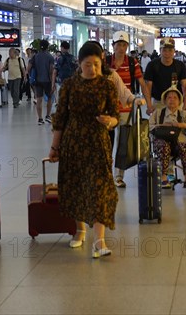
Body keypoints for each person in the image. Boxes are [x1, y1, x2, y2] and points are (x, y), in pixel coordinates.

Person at [48, 40, 119, 258]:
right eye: (88, 64)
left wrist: (110, 122)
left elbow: (116, 115)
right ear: (80, 64)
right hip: (74, 142)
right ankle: (79, 230)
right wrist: (54, 147)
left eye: (97, 64)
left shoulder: (107, 85)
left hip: (98, 142)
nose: (93, 69)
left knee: (100, 188)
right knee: (76, 186)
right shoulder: (69, 85)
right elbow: (60, 118)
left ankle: (99, 240)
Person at [107, 31, 152, 188]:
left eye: (124, 45)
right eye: (118, 44)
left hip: (126, 108)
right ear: (113, 46)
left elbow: (142, 83)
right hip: (107, 109)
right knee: (107, 142)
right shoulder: (105, 62)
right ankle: (106, 173)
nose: (121, 48)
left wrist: (149, 103)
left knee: (123, 142)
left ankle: (119, 176)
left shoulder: (133, 63)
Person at [149, 86, 186, 189]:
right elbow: (149, 127)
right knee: (164, 146)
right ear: (165, 100)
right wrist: (162, 126)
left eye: (175, 98)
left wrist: (182, 125)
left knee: (185, 147)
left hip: (178, 144)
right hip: (161, 143)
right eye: (169, 98)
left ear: (179, 101)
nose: (172, 100)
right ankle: (163, 178)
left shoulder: (183, 115)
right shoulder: (158, 113)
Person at [143, 37, 186, 115]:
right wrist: (149, 105)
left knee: (177, 125)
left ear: (174, 51)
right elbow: (148, 87)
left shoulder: (180, 65)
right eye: (164, 50)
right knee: (158, 126)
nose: (167, 53)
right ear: (160, 51)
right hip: (159, 103)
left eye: (170, 50)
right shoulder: (152, 65)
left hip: (176, 102)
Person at [27, 40, 55, 125]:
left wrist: (29, 76)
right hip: (47, 81)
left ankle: (40, 119)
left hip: (38, 81)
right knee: (49, 98)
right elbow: (51, 71)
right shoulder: (50, 57)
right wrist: (52, 83)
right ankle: (47, 116)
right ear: (47, 47)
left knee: (39, 99)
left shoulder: (35, 56)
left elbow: (28, 68)